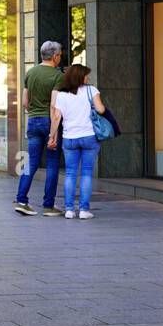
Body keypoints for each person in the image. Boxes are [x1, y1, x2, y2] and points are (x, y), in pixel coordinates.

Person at [15, 40, 66, 216]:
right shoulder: (57, 76)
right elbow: (54, 106)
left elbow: (24, 102)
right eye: (60, 55)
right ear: (54, 56)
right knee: (52, 164)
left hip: (33, 121)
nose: (60, 58)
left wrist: (34, 113)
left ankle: (22, 200)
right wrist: (53, 132)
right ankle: (48, 206)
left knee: (31, 162)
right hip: (49, 121)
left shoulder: (31, 73)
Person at [48, 63, 105, 219]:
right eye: (86, 75)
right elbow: (101, 110)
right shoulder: (91, 90)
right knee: (86, 174)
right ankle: (84, 210)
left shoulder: (62, 95)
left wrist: (51, 136)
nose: (88, 77)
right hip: (89, 137)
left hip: (69, 138)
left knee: (70, 174)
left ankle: (69, 210)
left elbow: (56, 117)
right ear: (80, 76)